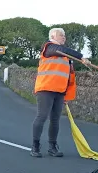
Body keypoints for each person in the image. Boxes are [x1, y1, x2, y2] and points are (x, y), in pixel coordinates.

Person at [30, 28, 91, 158]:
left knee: (55, 120)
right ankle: (35, 145)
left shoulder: (65, 56)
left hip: (60, 91)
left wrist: (66, 94)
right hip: (46, 88)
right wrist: (81, 57)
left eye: (64, 35)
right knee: (42, 117)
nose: (64, 37)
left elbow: (68, 76)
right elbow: (64, 50)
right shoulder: (49, 47)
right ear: (53, 36)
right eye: (61, 35)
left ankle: (52, 146)